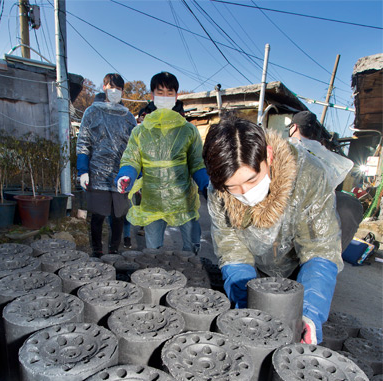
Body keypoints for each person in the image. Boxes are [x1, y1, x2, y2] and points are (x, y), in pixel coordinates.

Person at [203, 114, 344, 344]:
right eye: (233, 187)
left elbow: (320, 248)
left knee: (345, 214)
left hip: (301, 260)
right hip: (261, 261)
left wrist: (307, 315)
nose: (245, 193)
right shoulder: (218, 191)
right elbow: (232, 251)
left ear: (268, 155)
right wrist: (247, 308)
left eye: (251, 180)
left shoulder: (308, 175)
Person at [114, 71, 209, 254]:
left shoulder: (188, 130)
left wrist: (206, 185)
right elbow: (131, 159)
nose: (165, 97)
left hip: (183, 202)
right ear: (152, 96)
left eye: (169, 93)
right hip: (153, 202)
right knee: (153, 253)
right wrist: (126, 175)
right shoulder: (140, 131)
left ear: (176, 96)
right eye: (160, 92)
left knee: (191, 251)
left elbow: (197, 163)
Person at [76, 73, 136, 257]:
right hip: (97, 173)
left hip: (121, 175)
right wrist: (83, 170)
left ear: (123, 91)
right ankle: (97, 252)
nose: (115, 92)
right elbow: (83, 142)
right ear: (104, 87)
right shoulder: (92, 112)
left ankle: (114, 252)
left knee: (118, 216)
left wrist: (136, 176)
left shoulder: (128, 117)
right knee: (98, 216)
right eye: (112, 87)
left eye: (118, 89)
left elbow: (135, 148)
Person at [288, 111, 363, 251]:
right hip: (321, 208)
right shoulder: (327, 154)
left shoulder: (285, 147)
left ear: (295, 127)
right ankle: (328, 260)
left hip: (290, 208)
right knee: (351, 205)